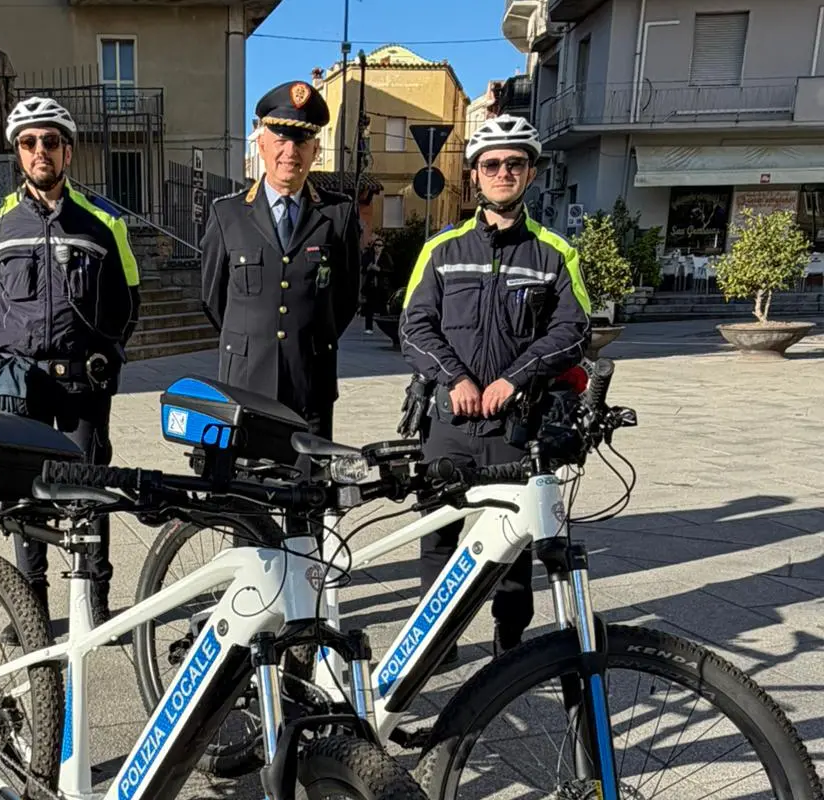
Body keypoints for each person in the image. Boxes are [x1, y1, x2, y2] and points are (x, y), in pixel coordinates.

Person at [397, 114, 592, 666]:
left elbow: (573, 329)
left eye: (514, 163)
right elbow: (414, 326)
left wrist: (514, 378)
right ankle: (438, 642)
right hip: (448, 423)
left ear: (530, 172)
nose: (503, 172)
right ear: (475, 175)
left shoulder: (555, 252)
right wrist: (455, 378)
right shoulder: (442, 249)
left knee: (514, 544)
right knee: (438, 539)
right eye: (492, 164)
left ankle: (511, 645)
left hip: (514, 424)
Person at [0, 95, 142, 637]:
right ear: (18, 153)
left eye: (50, 141)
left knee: (91, 489)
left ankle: (95, 601)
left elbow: (128, 305)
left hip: (83, 384)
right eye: (28, 142)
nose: (40, 151)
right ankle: (32, 609)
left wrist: (102, 355)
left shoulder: (103, 223)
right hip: (23, 385)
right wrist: (9, 356)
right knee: (25, 498)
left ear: (68, 151)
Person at [201, 80, 361, 443]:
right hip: (244, 385)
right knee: (246, 492)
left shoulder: (338, 215)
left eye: (302, 141)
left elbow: (347, 298)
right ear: (261, 144)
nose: (291, 151)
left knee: (307, 492)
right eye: (281, 140)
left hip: (311, 385)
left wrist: (306, 339)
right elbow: (214, 300)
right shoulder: (227, 215)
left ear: (316, 149)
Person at [360, 235, 392, 334]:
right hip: (371, 285)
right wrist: (368, 268)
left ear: (383, 247)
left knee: (383, 308)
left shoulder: (386, 256)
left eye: (379, 245)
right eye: (375, 245)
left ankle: (385, 327)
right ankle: (368, 328)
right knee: (369, 307)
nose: (377, 247)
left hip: (382, 286)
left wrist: (379, 269)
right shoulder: (369, 256)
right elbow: (363, 268)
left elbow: (390, 270)